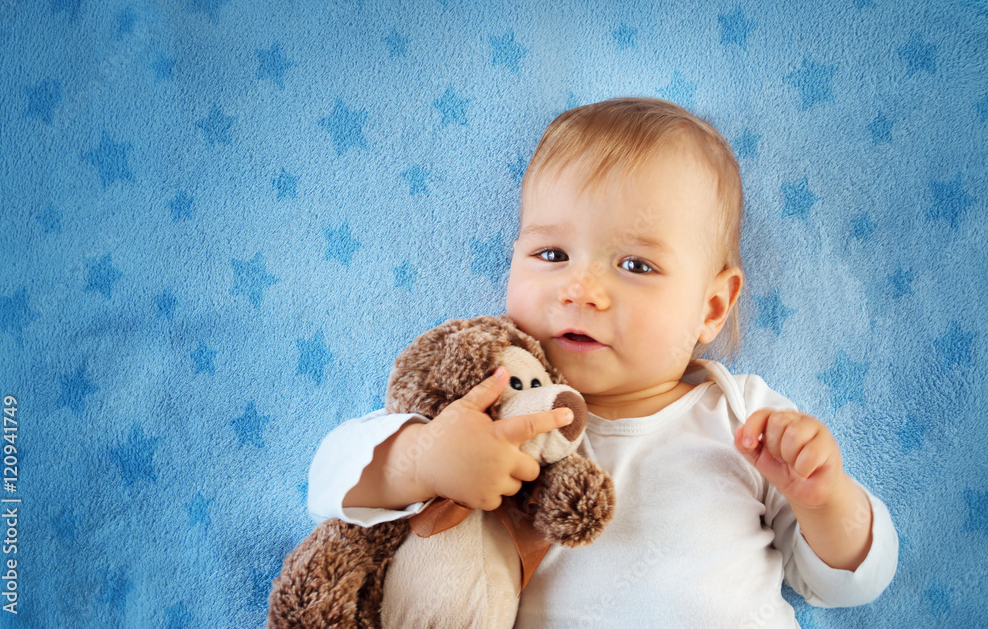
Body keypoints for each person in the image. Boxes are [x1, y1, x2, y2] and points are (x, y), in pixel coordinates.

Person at [308, 98, 898, 627]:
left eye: (636, 265)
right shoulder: (492, 401)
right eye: (551, 253)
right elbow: (330, 480)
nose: (581, 289)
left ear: (712, 307)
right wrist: (424, 459)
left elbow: (843, 585)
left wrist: (823, 499)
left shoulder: (744, 418)